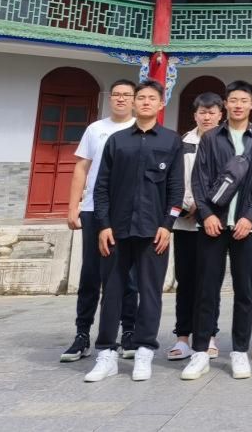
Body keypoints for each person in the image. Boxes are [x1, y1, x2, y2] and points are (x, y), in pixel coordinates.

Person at [83, 79, 183, 383]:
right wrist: (103, 225)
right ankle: (106, 353)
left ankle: (144, 350)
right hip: (117, 229)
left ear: (161, 104)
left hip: (154, 231)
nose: (146, 102)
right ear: (134, 103)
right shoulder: (117, 141)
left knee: (150, 292)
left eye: (152, 98)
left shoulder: (171, 140)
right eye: (141, 98)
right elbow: (101, 187)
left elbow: (176, 189)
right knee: (112, 291)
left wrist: (168, 225)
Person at [184, 79, 252, 381]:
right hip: (213, 226)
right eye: (233, 100)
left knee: (244, 291)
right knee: (206, 289)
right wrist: (207, 214)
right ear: (226, 104)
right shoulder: (211, 138)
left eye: (243, 100)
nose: (238, 105)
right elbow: (199, 180)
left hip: (246, 228)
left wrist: (250, 217)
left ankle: (239, 351)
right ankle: (199, 351)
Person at [62, 78, 139, 363]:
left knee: (127, 276)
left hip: (127, 213)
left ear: (134, 99)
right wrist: (73, 207)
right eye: (116, 94)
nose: (120, 99)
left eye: (126, 95)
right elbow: (81, 168)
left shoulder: (140, 130)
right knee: (90, 274)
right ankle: (82, 334)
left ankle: (128, 331)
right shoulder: (95, 129)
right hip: (94, 209)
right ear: (110, 98)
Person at [168, 92, 223, 362]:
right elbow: (175, 180)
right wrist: (186, 206)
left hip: (213, 222)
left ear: (220, 115)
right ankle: (182, 337)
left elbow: (228, 181)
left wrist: (204, 208)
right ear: (195, 115)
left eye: (212, 112)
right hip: (185, 223)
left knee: (209, 282)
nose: (207, 117)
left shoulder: (226, 143)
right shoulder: (183, 144)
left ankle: (209, 334)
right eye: (203, 112)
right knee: (186, 280)